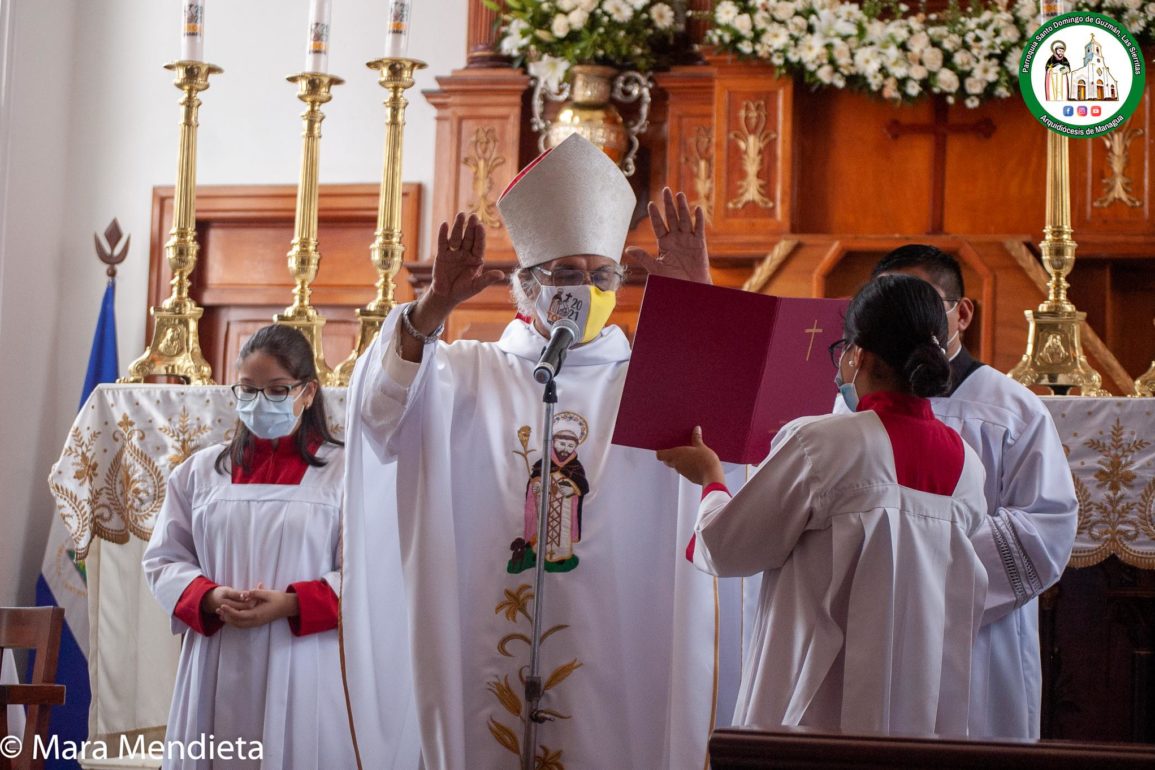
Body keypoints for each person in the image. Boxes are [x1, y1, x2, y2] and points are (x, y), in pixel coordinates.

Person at [342, 134, 737, 769]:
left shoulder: (655, 380)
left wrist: (703, 298)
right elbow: (378, 414)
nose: (586, 288)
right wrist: (434, 305)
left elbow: (736, 438)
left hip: (617, 639)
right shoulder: (466, 373)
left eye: (601, 274)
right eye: (567, 275)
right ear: (526, 284)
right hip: (481, 631)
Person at [658, 274, 990, 736]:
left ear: (860, 355)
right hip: (916, 709)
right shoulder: (968, 467)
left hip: (815, 706)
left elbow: (726, 547)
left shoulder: (823, 442)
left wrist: (710, 478)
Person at [857, 244, 1079, 739]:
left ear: (961, 313)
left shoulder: (1011, 408)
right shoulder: (848, 402)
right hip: (874, 629)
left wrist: (920, 571)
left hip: (977, 636)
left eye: (923, 302)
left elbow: (1046, 525)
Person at [142, 325, 355, 769]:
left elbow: (371, 571)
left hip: (302, 659)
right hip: (216, 654)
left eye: (277, 390)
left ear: (308, 392)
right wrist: (210, 596)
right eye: (248, 390)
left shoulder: (345, 473)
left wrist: (292, 603)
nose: (260, 403)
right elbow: (165, 559)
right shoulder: (200, 472)